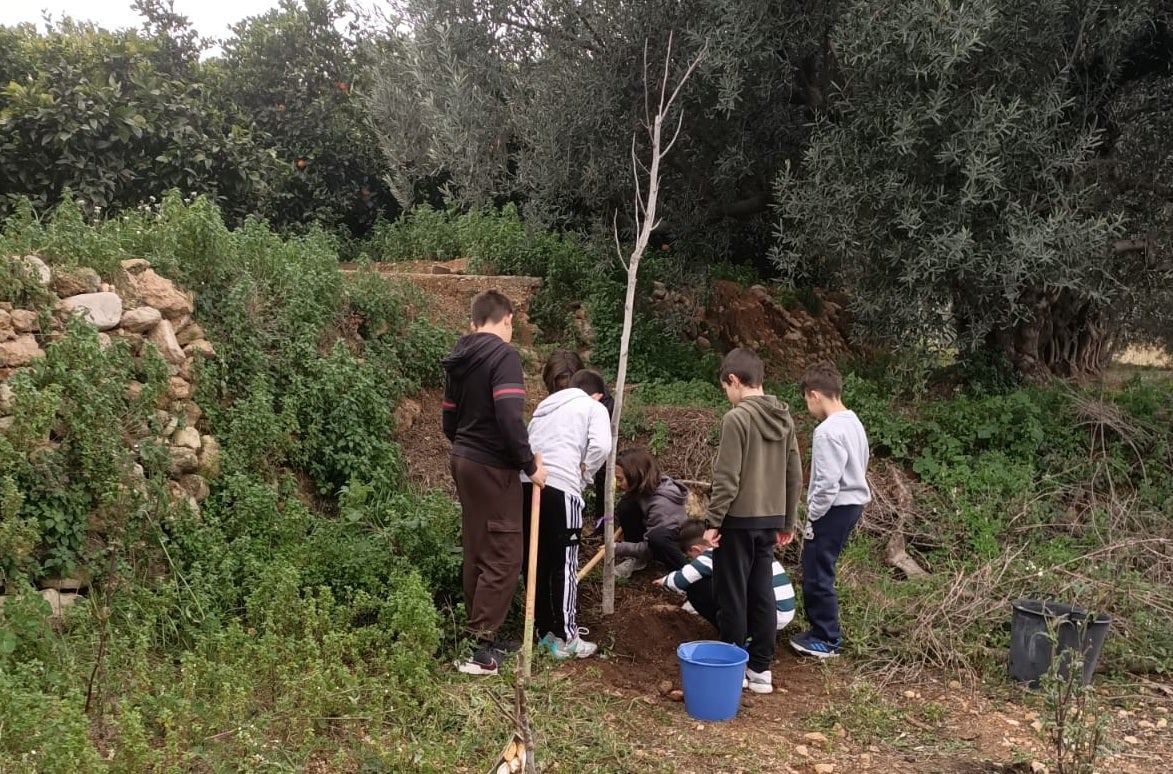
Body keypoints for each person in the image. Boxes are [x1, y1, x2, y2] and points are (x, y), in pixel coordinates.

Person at [443, 289, 548, 676]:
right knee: (504, 554)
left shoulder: (460, 358)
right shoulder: (503, 356)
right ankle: (478, 649)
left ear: (474, 322)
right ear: (507, 319)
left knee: (478, 547)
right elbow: (508, 416)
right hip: (491, 466)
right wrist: (529, 464)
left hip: (464, 460)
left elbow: (449, 420)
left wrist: (469, 447)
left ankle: (480, 637)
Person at [703, 347, 802, 695]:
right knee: (762, 592)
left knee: (731, 594)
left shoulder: (737, 419)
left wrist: (713, 521)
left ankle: (734, 667)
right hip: (770, 520)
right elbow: (794, 474)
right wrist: (788, 521)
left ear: (734, 380)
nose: (727, 396)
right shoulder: (784, 417)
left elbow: (727, 477)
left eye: (725, 389)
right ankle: (761, 669)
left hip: (738, 519)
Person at [522, 366, 610, 659]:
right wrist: (584, 474)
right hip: (562, 486)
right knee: (565, 562)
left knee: (536, 561)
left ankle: (543, 632)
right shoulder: (593, 407)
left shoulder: (544, 407)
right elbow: (601, 446)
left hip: (528, 484)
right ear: (597, 395)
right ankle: (568, 636)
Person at [789, 361, 871, 659]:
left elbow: (826, 483)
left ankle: (826, 638)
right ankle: (823, 631)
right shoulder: (853, 421)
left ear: (814, 395)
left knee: (816, 570)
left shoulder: (827, 431)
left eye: (807, 401)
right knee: (823, 566)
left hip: (833, 508)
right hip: (852, 505)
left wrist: (813, 514)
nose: (809, 408)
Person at [653, 520, 796, 633]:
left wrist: (664, 581)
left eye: (691, 556)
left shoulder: (712, 555)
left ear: (695, 549)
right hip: (783, 611)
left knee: (696, 587)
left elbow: (681, 579)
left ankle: (740, 632)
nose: (693, 560)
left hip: (769, 615)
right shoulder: (738, 545)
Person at [613, 447, 689, 577]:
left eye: (620, 479)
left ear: (636, 476)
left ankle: (683, 575)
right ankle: (637, 558)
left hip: (671, 542)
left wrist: (620, 548)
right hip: (654, 534)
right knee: (626, 506)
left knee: (657, 539)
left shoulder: (661, 505)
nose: (618, 484)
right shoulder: (642, 488)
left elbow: (651, 545)